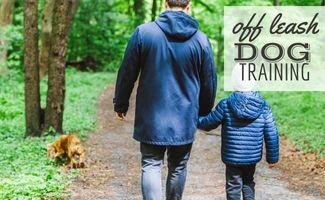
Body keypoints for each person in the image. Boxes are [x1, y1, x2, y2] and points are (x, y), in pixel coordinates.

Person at [113, 0, 216, 199]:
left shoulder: (144, 33)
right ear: (189, 6)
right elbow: (209, 81)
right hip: (184, 118)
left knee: (151, 164)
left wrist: (121, 103)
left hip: (152, 116)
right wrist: (203, 111)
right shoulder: (201, 40)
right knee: (178, 166)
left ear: (164, 4)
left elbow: (127, 72)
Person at [198, 64, 279, 200]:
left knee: (233, 185)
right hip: (251, 156)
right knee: (248, 182)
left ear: (233, 81)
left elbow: (208, 123)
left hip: (232, 157)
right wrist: (272, 158)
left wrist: (195, 118)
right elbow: (271, 133)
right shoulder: (263, 106)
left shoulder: (226, 104)